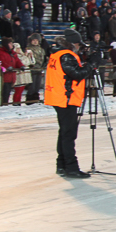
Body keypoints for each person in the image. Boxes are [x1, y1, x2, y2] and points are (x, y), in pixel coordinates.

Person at [44, 28, 98, 178]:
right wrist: (91, 64)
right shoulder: (67, 56)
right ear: (74, 44)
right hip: (66, 98)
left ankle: (61, 164)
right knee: (68, 134)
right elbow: (77, 74)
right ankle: (71, 167)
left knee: (64, 132)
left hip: (58, 96)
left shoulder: (56, 54)